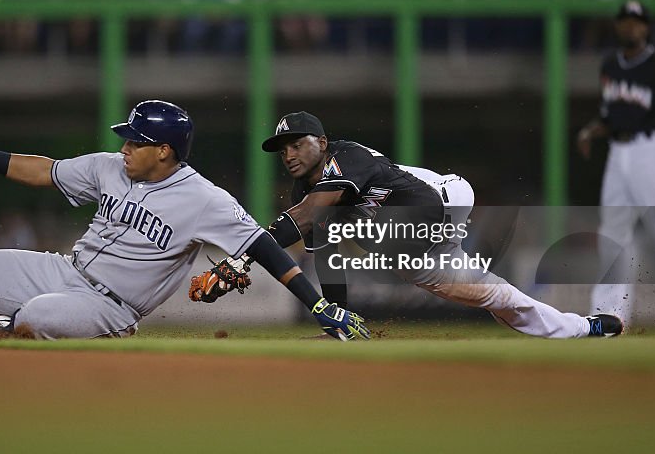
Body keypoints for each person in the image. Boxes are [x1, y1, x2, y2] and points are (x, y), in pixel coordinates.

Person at [0, 101, 370, 344]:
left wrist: (319, 305)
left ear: (166, 152)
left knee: (39, 317)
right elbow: (45, 171)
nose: (124, 146)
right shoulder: (109, 166)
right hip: (63, 271)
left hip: (111, 308)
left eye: (137, 141)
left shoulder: (205, 200)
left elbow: (264, 245)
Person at [193, 111, 623, 339]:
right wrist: (336, 315)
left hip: (445, 198)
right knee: (493, 296)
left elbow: (304, 219)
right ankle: (585, 328)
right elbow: (324, 256)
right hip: (410, 242)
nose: (288, 153)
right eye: (281, 148)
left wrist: (240, 257)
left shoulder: (344, 158)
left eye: (297, 143)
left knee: (377, 241)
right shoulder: (304, 195)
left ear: (321, 143)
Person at [576, 0, 655, 336]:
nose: (630, 27)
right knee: (613, 233)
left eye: (636, 22)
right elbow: (610, 114)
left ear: (646, 28)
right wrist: (591, 130)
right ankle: (608, 315)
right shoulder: (610, 66)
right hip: (618, 152)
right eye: (624, 21)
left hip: (651, 149)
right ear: (617, 26)